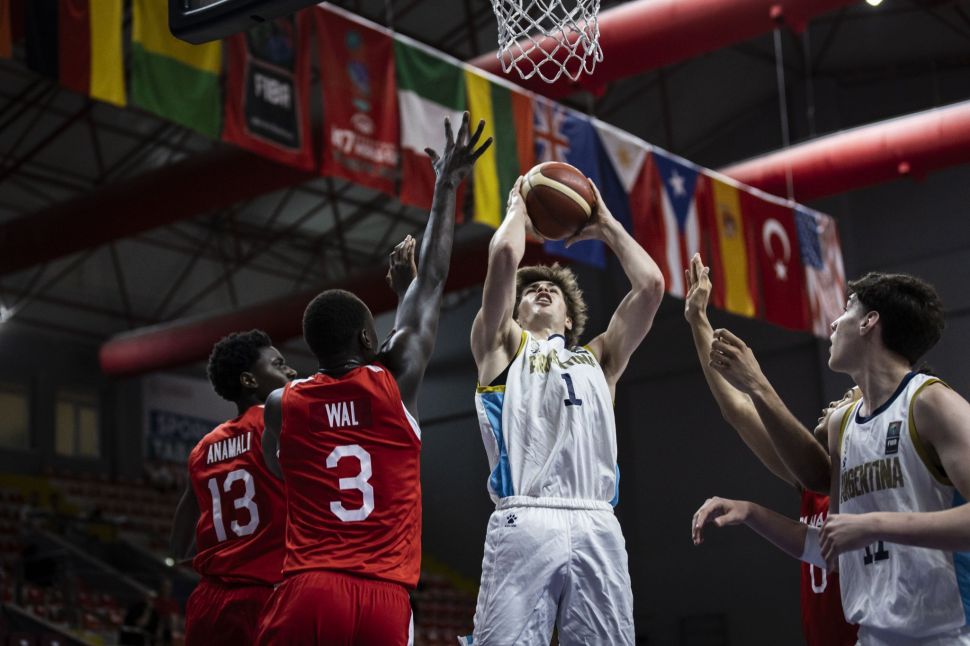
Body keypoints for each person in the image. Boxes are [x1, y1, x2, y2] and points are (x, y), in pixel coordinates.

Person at [255, 113, 491, 646]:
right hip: (383, 595)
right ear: (368, 338)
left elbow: (277, 469)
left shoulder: (281, 403)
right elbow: (434, 279)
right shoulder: (395, 378)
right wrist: (445, 187)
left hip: (309, 587)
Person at [696, 271, 970, 644]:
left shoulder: (932, 403)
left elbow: (866, 528)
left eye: (846, 309)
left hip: (944, 635)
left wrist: (875, 525)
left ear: (869, 322)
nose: (834, 323)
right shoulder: (843, 424)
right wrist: (752, 513)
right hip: (871, 635)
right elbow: (833, 550)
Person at [465, 174, 665, 644]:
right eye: (531, 290)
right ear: (515, 311)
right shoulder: (500, 346)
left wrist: (608, 226)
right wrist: (518, 208)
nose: (542, 290)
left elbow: (652, 286)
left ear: (570, 317)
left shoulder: (601, 358)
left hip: (597, 520)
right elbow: (504, 254)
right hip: (526, 516)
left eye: (551, 290)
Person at [682, 253, 858, 645]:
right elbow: (738, 410)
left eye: (847, 397)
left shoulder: (869, 482)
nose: (834, 402)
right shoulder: (813, 483)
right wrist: (698, 320)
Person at [169, 329, 296, 645]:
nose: (291, 371)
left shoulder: (203, 448)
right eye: (278, 365)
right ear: (250, 380)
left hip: (209, 603)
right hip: (268, 596)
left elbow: (179, 547)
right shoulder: (280, 423)